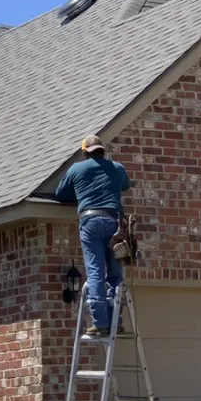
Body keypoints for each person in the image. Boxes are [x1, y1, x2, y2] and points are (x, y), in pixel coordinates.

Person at [55, 134, 132, 336]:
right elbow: (125, 185)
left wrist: (82, 191)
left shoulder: (77, 169)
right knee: (115, 274)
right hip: (114, 223)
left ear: (84, 152)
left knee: (95, 271)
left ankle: (101, 323)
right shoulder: (117, 168)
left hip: (90, 221)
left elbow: (61, 193)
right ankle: (116, 320)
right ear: (102, 150)